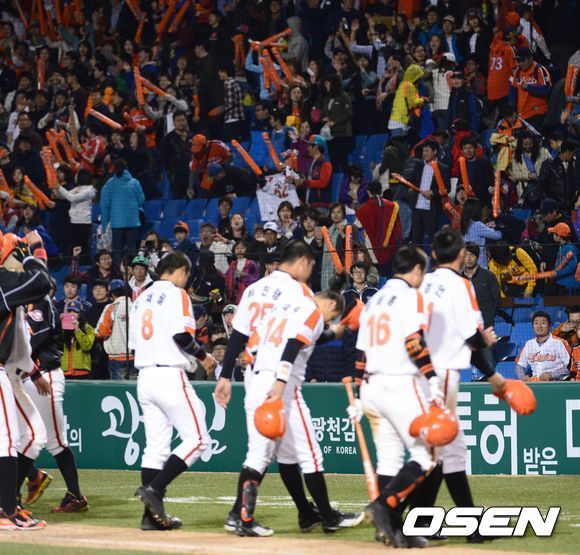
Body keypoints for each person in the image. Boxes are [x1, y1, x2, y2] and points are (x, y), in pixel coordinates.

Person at [215, 241, 338, 535]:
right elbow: (300, 337)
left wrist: (225, 375)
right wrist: (332, 330)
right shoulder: (300, 292)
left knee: (266, 452)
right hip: (280, 375)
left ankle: (245, 515)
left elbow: (238, 335)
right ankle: (324, 515)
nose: (310, 272)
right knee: (295, 453)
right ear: (301, 262)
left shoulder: (253, 289)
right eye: (310, 265)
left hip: (253, 370)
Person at [239, 286, 364, 536]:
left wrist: (334, 331)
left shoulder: (282, 308)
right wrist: (281, 380)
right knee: (311, 456)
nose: (327, 322)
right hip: (282, 386)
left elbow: (251, 351)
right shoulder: (313, 311)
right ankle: (329, 517)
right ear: (330, 305)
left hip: (256, 381)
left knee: (269, 456)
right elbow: (295, 343)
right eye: (331, 317)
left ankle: (247, 520)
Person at [416, 229, 506, 543]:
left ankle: (436, 523)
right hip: (442, 376)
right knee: (440, 452)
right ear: (459, 255)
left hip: (419, 372)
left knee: (445, 452)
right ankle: (404, 517)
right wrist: (492, 370)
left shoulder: (422, 282)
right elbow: (472, 338)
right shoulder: (461, 284)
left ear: (434, 255)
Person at [355, 245, 440, 548]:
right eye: (423, 270)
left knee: (389, 460)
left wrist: (358, 393)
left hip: (371, 386)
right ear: (416, 269)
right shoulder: (411, 296)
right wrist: (432, 377)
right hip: (399, 383)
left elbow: (361, 353)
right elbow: (414, 342)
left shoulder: (374, 300)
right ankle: (383, 505)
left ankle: (391, 531)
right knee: (428, 456)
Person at [131, 252, 217, 531]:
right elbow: (181, 335)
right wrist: (203, 356)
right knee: (198, 439)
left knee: (155, 448)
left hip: (145, 375)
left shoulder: (141, 297)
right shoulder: (176, 293)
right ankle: (155, 488)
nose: (186, 280)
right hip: (169, 374)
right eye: (187, 275)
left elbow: (134, 343)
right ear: (180, 270)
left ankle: (150, 518)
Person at [0, 230, 52, 530]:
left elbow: (41, 286)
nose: (21, 261)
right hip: (2, 371)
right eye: (16, 255)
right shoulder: (3, 281)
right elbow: (42, 282)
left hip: (10, 369)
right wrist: (36, 251)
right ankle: (6, 510)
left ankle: (8, 506)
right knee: (7, 440)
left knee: (19, 437)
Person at [22, 289, 88, 513]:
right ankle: (30, 480)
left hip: (43, 376)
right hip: (25, 378)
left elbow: (32, 339)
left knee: (55, 441)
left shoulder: (39, 302)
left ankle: (74, 495)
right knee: (15, 437)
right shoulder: (18, 303)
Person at [100, 159, 145, 267]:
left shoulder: (109, 184)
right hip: (133, 222)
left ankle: (118, 273)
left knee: (117, 252)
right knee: (131, 250)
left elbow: (104, 207)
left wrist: (104, 226)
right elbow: (141, 201)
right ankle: (132, 273)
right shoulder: (135, 183)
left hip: (116, 224)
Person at [404, 141, 450, 247]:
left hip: (432, 208)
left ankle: (435, 257)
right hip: (417, 208)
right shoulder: (418, 165)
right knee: (416, 240)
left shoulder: (443, 168)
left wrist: (433, 192)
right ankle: (417, 257)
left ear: (435, 151)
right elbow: (412, 181)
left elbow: (447, 188)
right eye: (423, 151)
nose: (424, 153)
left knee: (433, 239)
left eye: (427, 151)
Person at [355, 180, 402, 277]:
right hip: (390, 250)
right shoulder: (393, 206)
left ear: (368, 192)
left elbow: (356, 226)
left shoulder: (363, 209)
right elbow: (398, 229)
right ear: (381, 191)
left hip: (372, 252)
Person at [53, 168, 96, 263]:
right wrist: (56, 188)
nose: (75, 177)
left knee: (82, 248)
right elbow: (64, 196)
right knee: (74, 247)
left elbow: (72, 198)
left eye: (77, 175)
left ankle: (84, 266)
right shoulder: (78, 188)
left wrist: (59, 187)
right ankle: (74, 267)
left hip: (83, 223)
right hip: (74, 221)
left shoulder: (89, 190)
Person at [516, 311, 571, 381]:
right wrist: (522, 377)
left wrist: (551, 374)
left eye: (543, 323)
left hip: (555, 382)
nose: (539, 326)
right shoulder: (529, 344)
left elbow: (570, 367)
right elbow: (519, 366)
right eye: (536, 323)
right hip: (535, 382)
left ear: (550, 326)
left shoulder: (558, 343)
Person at [96, 279, 134, 380]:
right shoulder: (135, 306)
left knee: (119, 389)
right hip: (134, 357)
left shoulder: (111, 307)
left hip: (116, 359)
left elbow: (102, 332)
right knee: (132, 388)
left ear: (112, 294)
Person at [509, 47, 551, 131]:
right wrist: (511, 109)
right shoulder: (517, 72)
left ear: (530, 58)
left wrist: (529, 87)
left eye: (523, 60)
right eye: (518, 61)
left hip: (538, 112)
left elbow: (547, 89)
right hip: (523, 114)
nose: (521, 63)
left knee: (534, 137)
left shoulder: (539, 69)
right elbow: (513, 90)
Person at [462, 243, 500, 329]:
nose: (469, 258)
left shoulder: (489, 276)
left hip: (485, 325)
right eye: (466, 255)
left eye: (472, 255)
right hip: (465, 326)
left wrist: (488, 317)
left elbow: (497, 300)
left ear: (477, 257)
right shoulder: (458, 278)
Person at [460, 198, 502, 269]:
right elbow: (498, 235)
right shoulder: (477, 225)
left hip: (467, 264)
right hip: (479, 265)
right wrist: (501, 227)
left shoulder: (465, 224)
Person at [539, 141, 578, 214]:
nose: (573, 156)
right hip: (553, 208)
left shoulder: (572, 165)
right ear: (567, 152)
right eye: (572, 154)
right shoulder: (549, 164)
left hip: (568, 207)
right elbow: (541, 185)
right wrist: (548, 203)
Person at [61, 301, 96, 379]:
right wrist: (59, 324)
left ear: (80, 314)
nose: (72, 314)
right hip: (64, 370)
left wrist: (77, 330)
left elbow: (86, 346)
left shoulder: (88, 328)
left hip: (82, 371)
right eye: (69, 311)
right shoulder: (62, 328)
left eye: (75, 312)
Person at [224, 240, 260, 305]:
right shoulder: (233, 264)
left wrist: (245, 275)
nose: (239, 250)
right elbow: (226, 277)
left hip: (247, 296)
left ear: (247, 249)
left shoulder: (251, 263)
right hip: (234, 297)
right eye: (237, 248)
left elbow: (256, 280)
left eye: (242, 248)